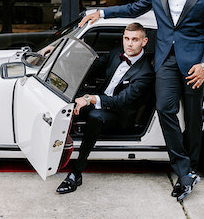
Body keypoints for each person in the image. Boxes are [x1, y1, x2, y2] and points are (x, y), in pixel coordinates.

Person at [78, 0, 204, 201]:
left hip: (194, 66)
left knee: (192, 118)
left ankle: (191, 169)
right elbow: (134, 9)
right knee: (166, 110)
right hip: (165, 62)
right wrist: (100, 13)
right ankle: (184, 170)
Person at [56, 22, 155, 194]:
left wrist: (90, 98)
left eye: (134, 40)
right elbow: (93, 67)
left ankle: (76, 172)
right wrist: (64, 59)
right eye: (126, 38)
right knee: (68, 96)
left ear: (144, 42)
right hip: (103, 102)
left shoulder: (145, 72)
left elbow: (121, 101)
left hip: (120, 116)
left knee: (95, 116)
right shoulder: (117, 53)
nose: (129, 44)